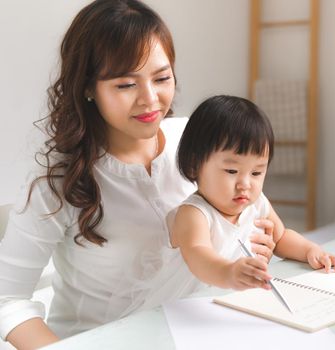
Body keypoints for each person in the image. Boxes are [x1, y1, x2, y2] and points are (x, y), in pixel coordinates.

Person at [0, 1, 276, 349]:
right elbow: (7, 300)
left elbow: (244, 213)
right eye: (126, 84)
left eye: (162, 78)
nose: (150, 99)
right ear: (88, 88)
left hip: (199, 334)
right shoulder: (58, 181)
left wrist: (252, 239)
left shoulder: (194, 141)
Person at [167, 95, 335, 294]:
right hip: (186, 300)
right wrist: (229, 272)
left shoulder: (257, 203)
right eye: (232, 171)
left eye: (256, 173)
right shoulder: (194, 214)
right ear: (194, 165)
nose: (245, 184)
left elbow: (281, 237)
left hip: (228, 297)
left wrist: (311, 251)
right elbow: (198, 256)